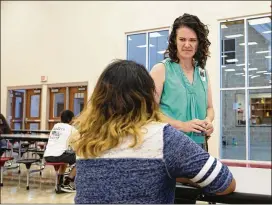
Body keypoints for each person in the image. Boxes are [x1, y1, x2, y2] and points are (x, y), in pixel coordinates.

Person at [69, 60, 236, 204]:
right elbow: (225, 183)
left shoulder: (85, 141)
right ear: (148, 97)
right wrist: (178, 173)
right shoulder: (162, 137)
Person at [150, 13, 214, 149]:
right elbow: (149, 112)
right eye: (182, 39)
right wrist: (183, 125)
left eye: (192, 40)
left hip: (200, 145)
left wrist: (208, 121)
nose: (187, 44)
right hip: (170, 145)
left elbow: (209, 108)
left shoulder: (203, 72)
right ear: (174, 41)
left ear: (199, 43)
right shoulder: (160, 70)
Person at [44, 110, 77, 193]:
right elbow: (80, 140)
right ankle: (67, 181)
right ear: (71, 119)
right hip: (58, 156)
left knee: (65, 158)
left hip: (47, 156)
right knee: (81, 159)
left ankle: (59, 183)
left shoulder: (55, 126)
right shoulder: (71, 128)